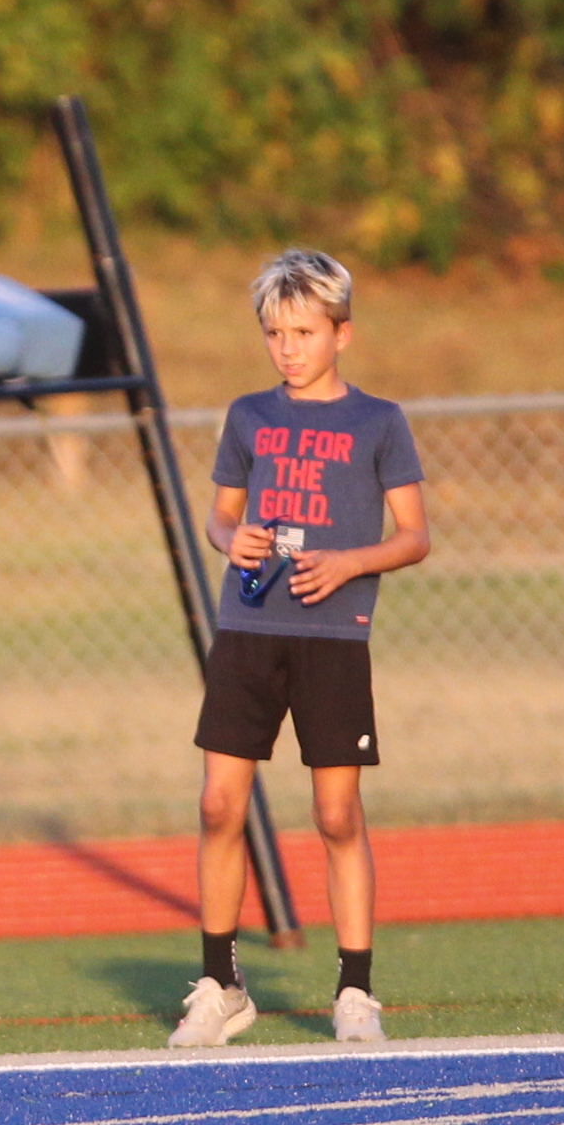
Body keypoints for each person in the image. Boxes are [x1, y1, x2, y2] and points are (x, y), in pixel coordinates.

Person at [176, 248, 430, 1049]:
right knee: (219, 805)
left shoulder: (378, 421)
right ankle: (221, 986)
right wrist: (231, 539)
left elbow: (414, 536)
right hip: (249, 629)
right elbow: (219, 516)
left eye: (304, 332)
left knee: (336, 814)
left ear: (341, 334)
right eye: (275, 333)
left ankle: (355, 991)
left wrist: (350, 562)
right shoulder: (248, 415)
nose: (288, 348)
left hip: (331, 636)